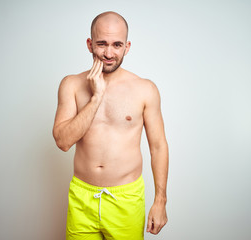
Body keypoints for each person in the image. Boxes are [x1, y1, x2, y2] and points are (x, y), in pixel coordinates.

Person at [53, 11, 169, 240]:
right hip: (82, 198)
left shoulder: (145, 89)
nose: (108, 53)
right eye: (101, 44)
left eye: (116, 45)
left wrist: (160, 201)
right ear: (89, 44)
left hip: (126, 199)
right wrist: (96, 97)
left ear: (127, 47)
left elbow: (158, 147)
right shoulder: (72, 85)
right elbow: (63, 142)